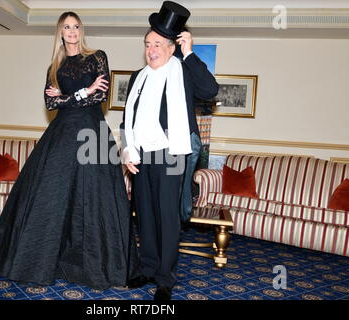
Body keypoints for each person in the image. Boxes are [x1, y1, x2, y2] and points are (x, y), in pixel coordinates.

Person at [0, 11, 139, 290]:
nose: (72, 31)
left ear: (82, 30)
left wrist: (70, 97)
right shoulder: (54, 67)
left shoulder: (97, 57)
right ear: (60, 32)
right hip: (61, 134)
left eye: (76, 26)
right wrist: (82, 93)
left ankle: (98, 266)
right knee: (50, 197)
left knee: (96, 199)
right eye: (66, 27)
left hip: (93, 133)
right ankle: (40, 261)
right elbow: (50, 103)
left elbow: (101, 96)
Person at [121, 1, 219, 300]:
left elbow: (210, 90)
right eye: (148, 44)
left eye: (158, 44)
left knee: (167, 216)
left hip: (172, 154)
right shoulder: (138, 77)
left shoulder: (184, 70)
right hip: (142, 156)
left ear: (171, 47)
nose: (151, 50)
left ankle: (165, 277)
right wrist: (127, 150)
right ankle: (148, 268)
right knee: (146, 215)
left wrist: (190, 54)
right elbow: (128, 118)